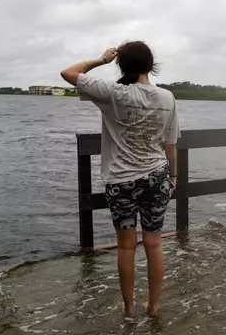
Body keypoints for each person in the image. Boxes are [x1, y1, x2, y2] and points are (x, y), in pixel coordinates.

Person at [60, 41, 180, 318]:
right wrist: (173, 176)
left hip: (121, 180)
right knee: (154, 243)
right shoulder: (167, 98)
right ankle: (154, 306)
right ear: (151, 65)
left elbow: (68, 73)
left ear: (122, 65)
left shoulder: (113, 93)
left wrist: (101, 60)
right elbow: (171, 144)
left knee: (126, 246)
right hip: (158, 176)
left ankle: (128, 308)